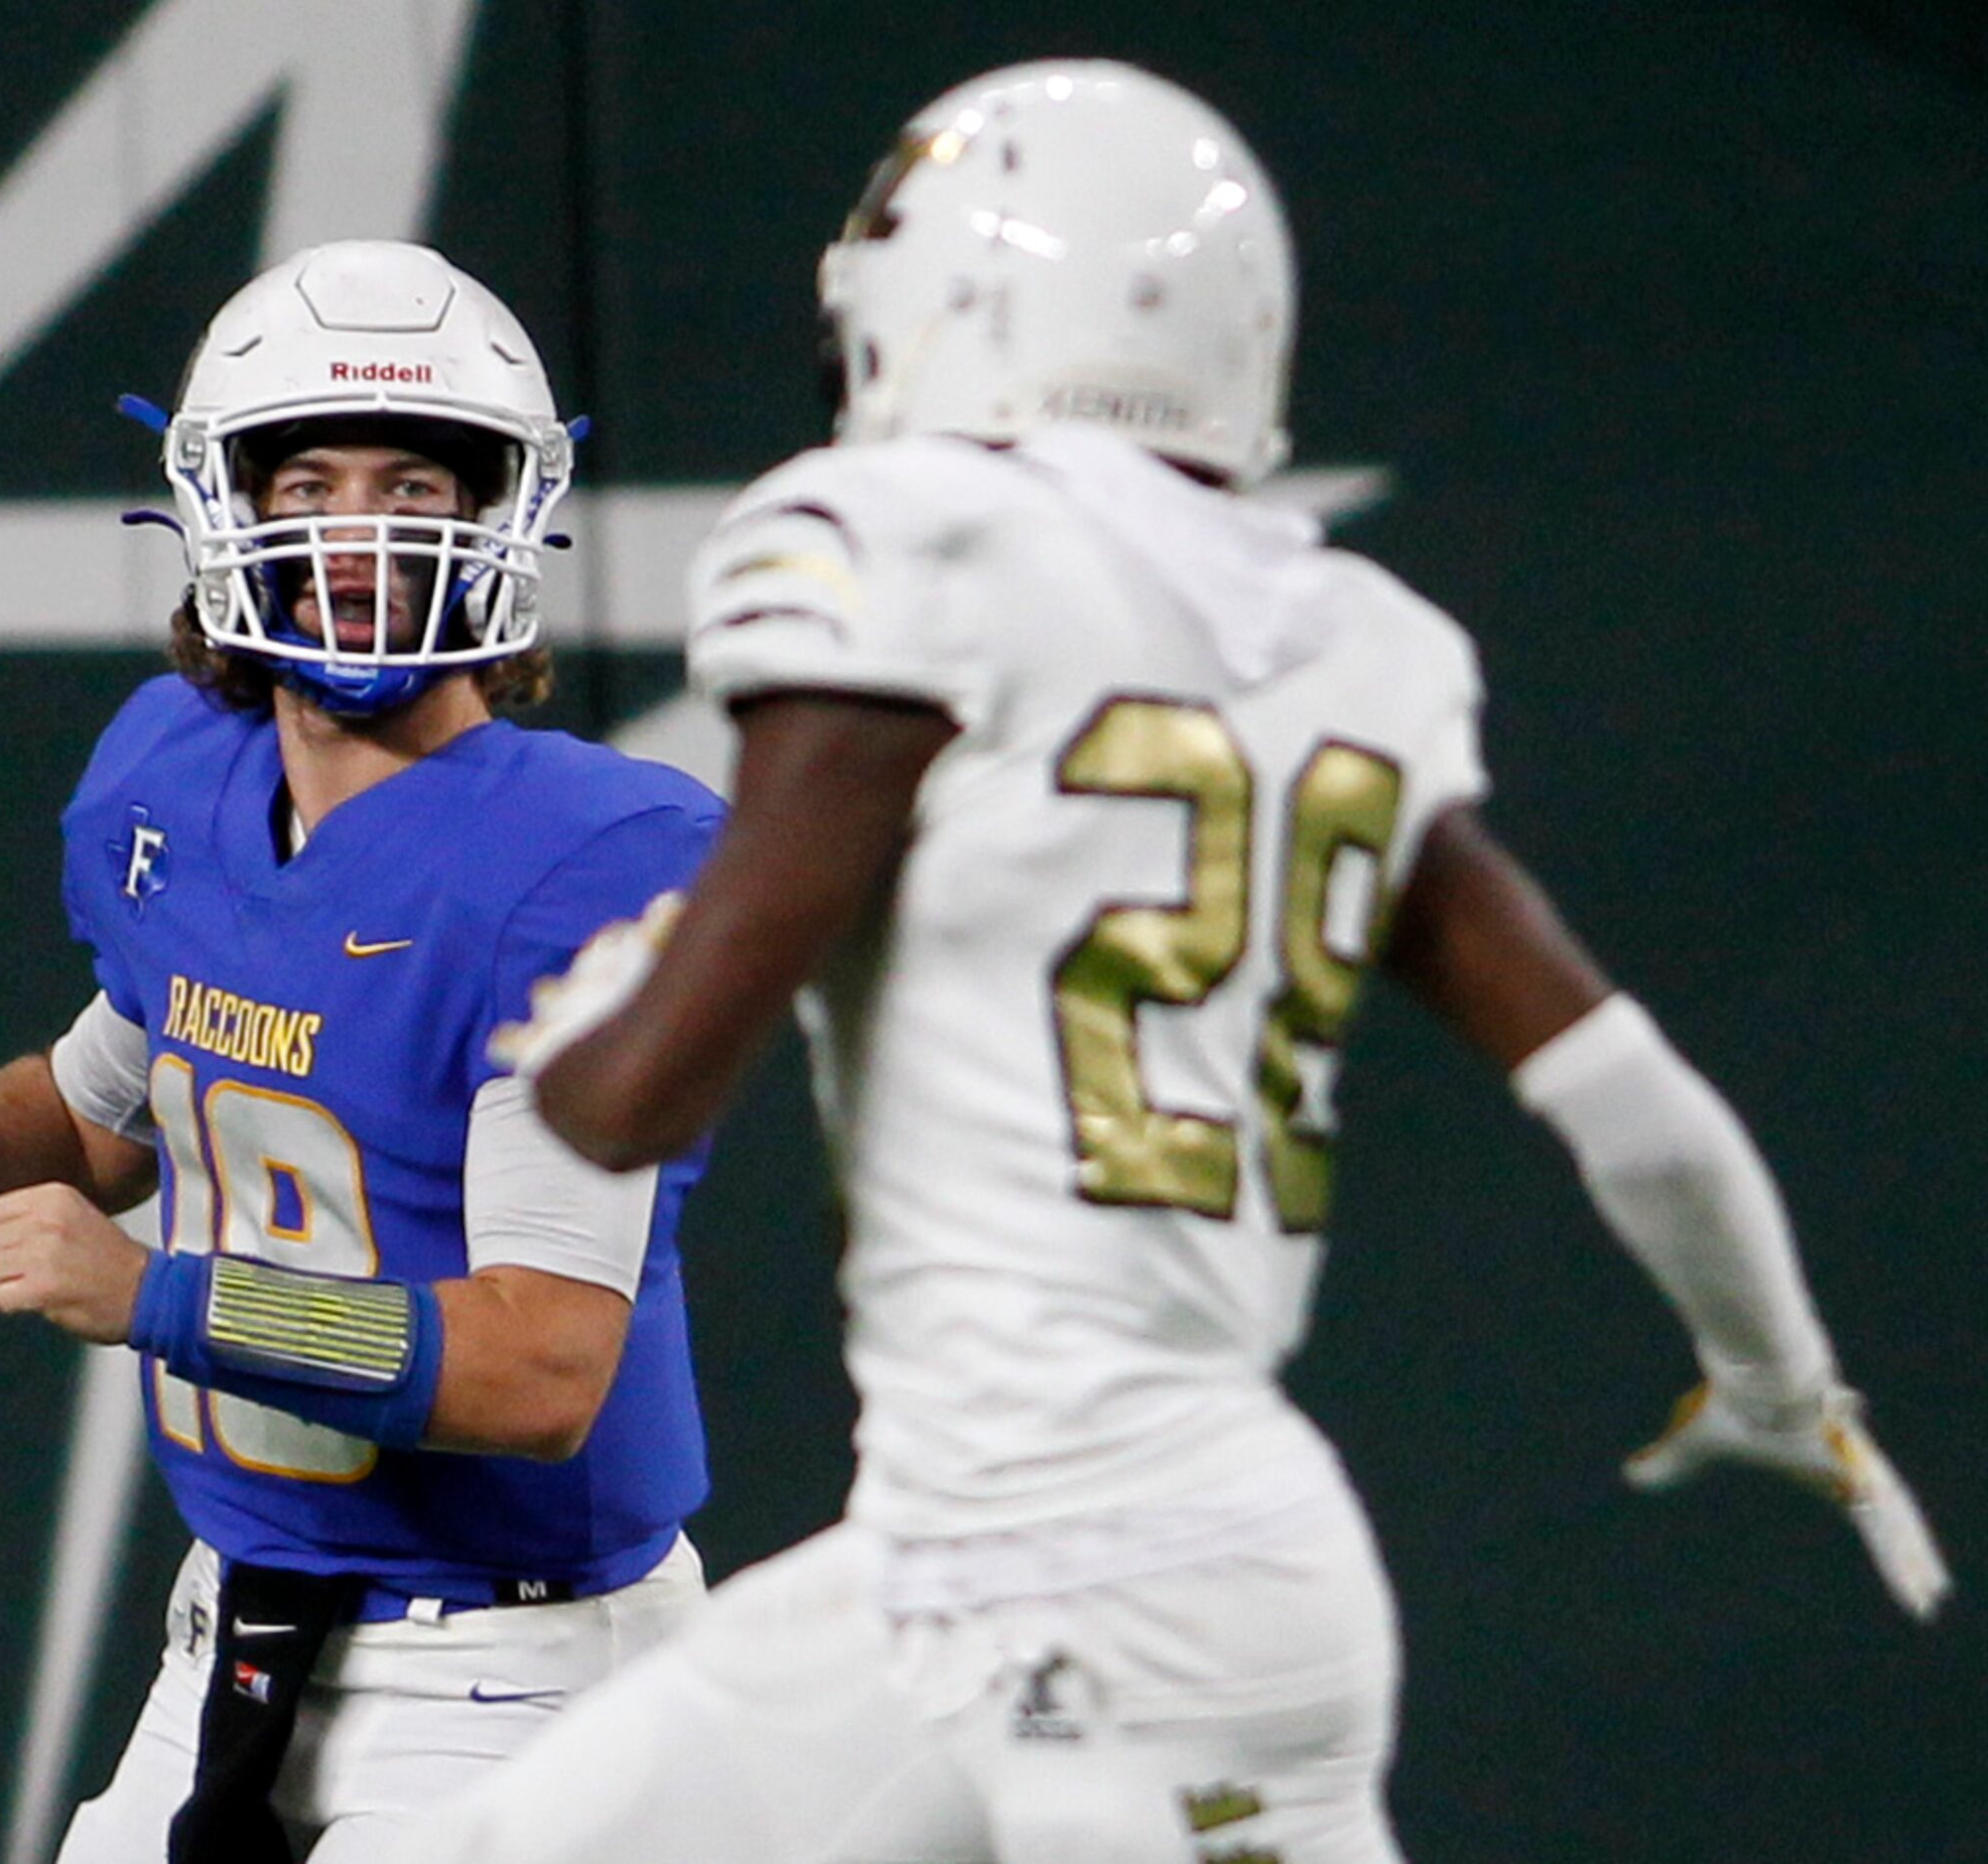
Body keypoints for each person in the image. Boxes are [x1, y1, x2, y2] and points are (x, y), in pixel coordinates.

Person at [421, 61, 1952, 1864]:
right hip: (945, 1562)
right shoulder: (1341, 642)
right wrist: (1778, 1376)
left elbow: (633, 1099)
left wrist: (586, 1036)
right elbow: (1639, 1107)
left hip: (1138, 1591)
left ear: (944, 315)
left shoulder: (908, 555)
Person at [0, 240, 725, 1864]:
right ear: (223, 505)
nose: (361, 531)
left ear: (502, 512)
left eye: (416, 484)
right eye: (310, 477)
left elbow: (544, 1363)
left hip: (515, 1674)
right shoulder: (179, 789)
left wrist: (163, 1298)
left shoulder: (577, 863)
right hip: (235, 1631)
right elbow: (101, 1115)